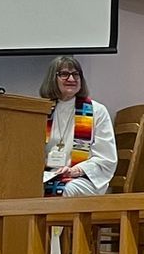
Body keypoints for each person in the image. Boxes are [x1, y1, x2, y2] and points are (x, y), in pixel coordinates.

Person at [40, 56, 116, 197]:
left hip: (83, 177)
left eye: (76, 74)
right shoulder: (42, 110)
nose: (71, 79)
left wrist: (77, 170)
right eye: (64, 74)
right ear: (52, 78)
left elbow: (106, 158)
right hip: (47, 174)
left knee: (64, 190)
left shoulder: (96, 111)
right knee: (22, 186)